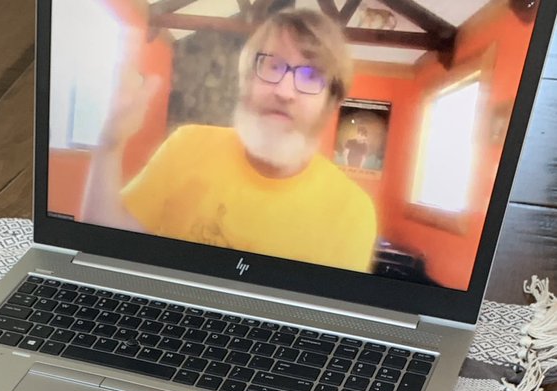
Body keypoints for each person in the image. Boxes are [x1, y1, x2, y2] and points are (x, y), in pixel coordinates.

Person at [81, 7, 378, 273]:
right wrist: (110, 144)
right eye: (272, 66)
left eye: (311, 75)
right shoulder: (187, 145)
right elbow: (106, 244)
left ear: (330, 104)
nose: (285, 91)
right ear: (246, 79)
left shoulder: (353, 213)